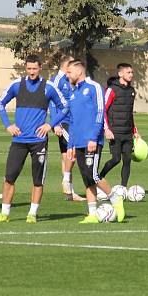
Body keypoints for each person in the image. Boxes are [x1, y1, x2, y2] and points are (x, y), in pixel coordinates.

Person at [0, 55, 69, 223]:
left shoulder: (49, 87)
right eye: (29, 69)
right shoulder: (17, 85)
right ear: (26, 68)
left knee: (37, 179)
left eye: (35, 69)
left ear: (40, 68)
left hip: (39, 141)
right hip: (19, 140)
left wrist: (51, 124)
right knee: (9, 177)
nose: (32, 72)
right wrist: (8, 125)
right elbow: (0, 103)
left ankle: (32, 213)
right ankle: (4, 213)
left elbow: (65, 107)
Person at [65, 60, 125, 223]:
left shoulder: (94, 87)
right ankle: (92, 214)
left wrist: (93, 138)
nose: (67, 74)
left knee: (93, 173)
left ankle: (114, 198)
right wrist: (71, 144)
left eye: (69, 72)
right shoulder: (73, 93)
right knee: (86, 177)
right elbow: (72, 120)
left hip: (92, 141)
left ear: (79, 72)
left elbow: (100, 113)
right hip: (78, 142)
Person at [50, 55, 85, 202]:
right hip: (63, 122)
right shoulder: (57, 80)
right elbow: (51, 102)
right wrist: (55, 124)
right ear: (66, 66)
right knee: (73, 151)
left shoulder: (70, 80)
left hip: (73, 121)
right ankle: (66, 181)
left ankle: (69, 192)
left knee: (66, 155)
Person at [98, 63, 140, 188]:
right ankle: (99, 177)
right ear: (120, 74)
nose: (131, 75)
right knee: (116, 159)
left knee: (127, 160)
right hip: (114, 131)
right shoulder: (111, 89)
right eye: (128, 72)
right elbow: (103, 110)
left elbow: (129, 113)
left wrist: (134, 130)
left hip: (127, 132)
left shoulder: (132, 91)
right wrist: (107, 129)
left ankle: (123, 188)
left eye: (132, 72)